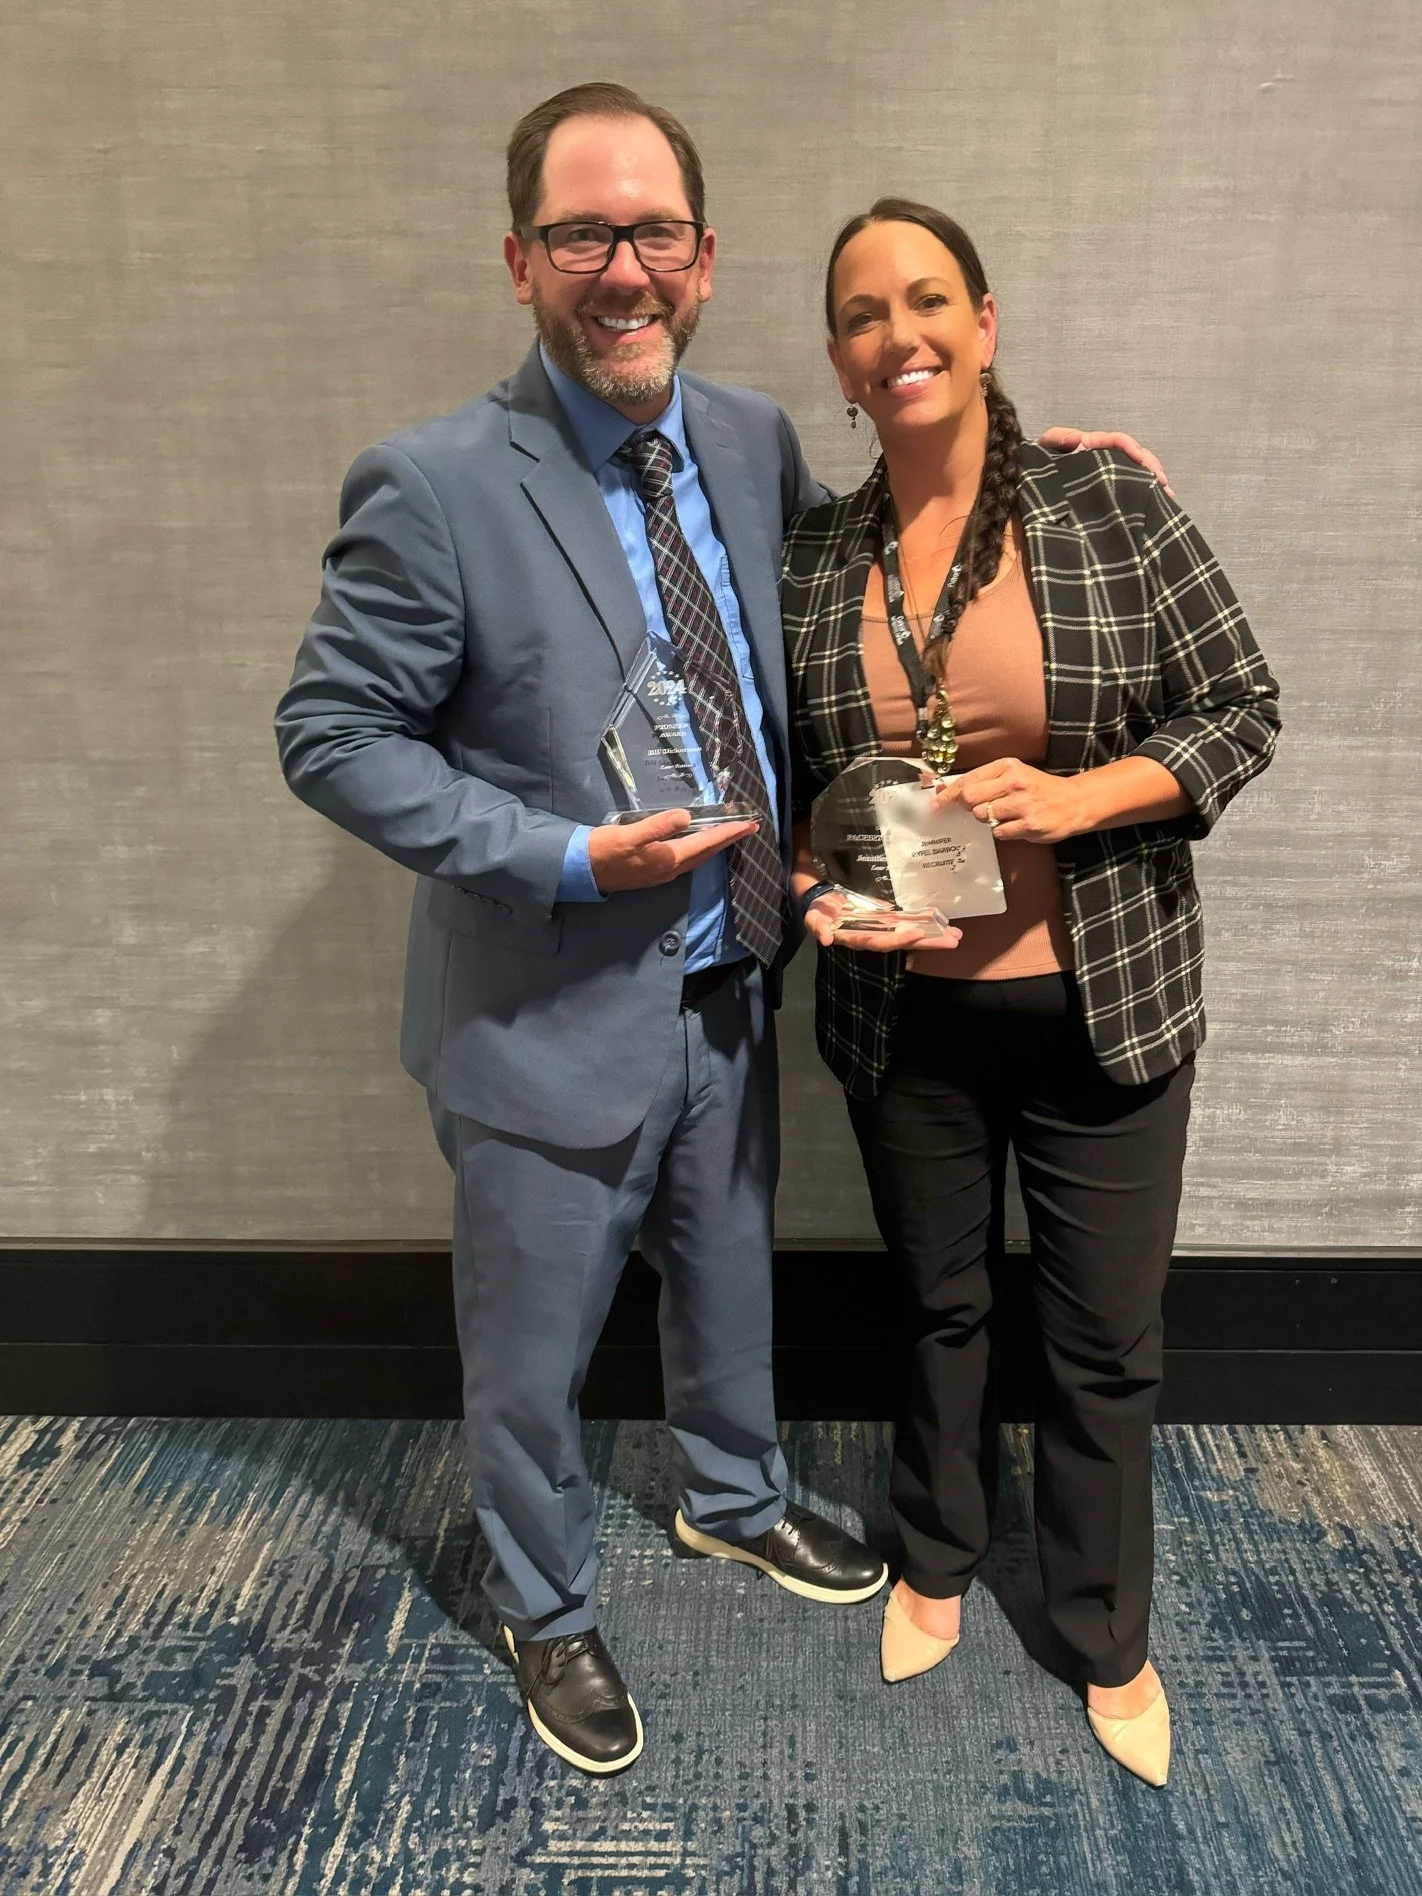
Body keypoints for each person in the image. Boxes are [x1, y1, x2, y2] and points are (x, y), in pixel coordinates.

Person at [276, 87, 1167, 1779]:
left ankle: (731, 1498)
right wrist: (553, 854)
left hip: (734, 977)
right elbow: (331, 737)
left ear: (704, 257)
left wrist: (1045, 466)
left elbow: (892, 555)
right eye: (585, 235)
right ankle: (544, 1607)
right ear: (520, 258)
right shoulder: (435, 480)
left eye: (657, 234)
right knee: (531, 1352)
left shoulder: (748, 439)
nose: (626, 270)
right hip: (545, 1004)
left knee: (724, 1281)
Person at [785, 199, 1279, 1787]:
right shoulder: (814, 559)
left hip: (1103, 1008)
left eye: (927, 299)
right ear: (841, 364)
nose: (898, 333)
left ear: (984, 324)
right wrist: (816, 894)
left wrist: (1086, 799)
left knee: (1100, 1342)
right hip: (904, 1022)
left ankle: (1101, 1627)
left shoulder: (1105, 504)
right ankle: (935, 1556)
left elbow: (1240, 707)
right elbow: (803, 787)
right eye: (863, 314)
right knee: (936, 1308)